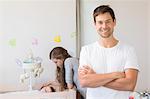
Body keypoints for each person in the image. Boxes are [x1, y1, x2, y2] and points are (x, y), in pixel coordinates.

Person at [78, 5, 139, 99]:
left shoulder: (128, 50)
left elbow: (130, 85)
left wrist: (95, 77)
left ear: (114, 22)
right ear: (95, 24)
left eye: (108, 21)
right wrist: (114, 75)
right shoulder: (86, 50)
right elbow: (84, 82)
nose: (104, 26)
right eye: (100, 22)